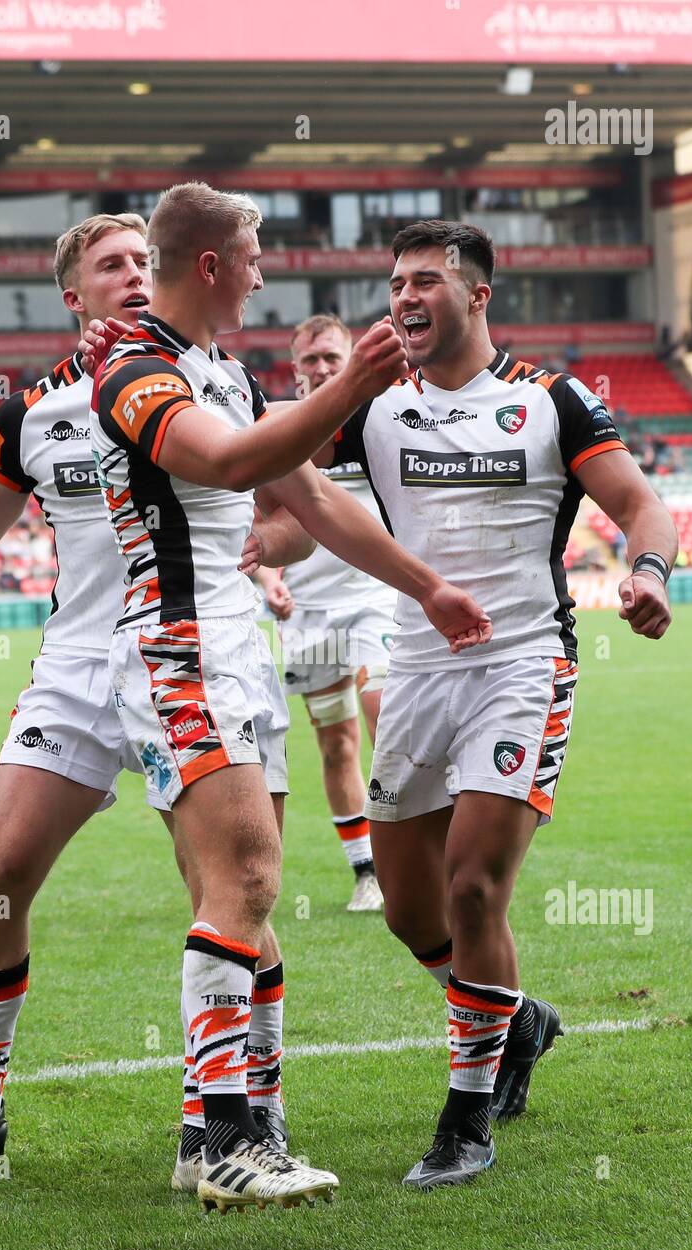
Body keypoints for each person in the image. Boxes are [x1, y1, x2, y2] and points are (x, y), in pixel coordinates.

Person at [0, 215, 311, 1183]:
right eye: (112, 264)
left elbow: (291, 513)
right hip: (79, 665)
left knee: (227, 883)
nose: (135, 274)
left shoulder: (222, 381)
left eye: (146, 259)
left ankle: (222, 1122)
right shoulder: (33, 410)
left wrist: (267, 550)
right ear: (74, 294)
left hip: (193, 645)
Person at [88, 183, 492, 1212]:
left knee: (250, 903)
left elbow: (313, 496)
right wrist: (349, 384)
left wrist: (428, 587)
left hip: (235, 647)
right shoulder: (130, 364)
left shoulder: (222, 369)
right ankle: (227, 1144)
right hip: (179, 648)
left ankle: (228, 1124)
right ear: (214, 265)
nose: (265, 274)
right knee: (248, 879)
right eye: (255, 258)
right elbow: (228, 465)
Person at [313, 220, 677, 1189]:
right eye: (394, 282)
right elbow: (285, 466)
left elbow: (643, 504)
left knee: (475, 885)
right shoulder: (378, 407)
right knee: (406, 905)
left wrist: (647, 574)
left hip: (523, 663)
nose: (403, 297)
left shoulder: (552, 400)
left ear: (477, 295)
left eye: (424, 280)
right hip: (420, 669)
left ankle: (466, 1119)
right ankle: (517, 1017)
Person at [272, 314, 399, 912]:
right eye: (310, 361)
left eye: (331, 358)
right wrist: (268, 578)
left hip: (376, 597)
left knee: (384, 714)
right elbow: (255, 515)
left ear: (350, 358)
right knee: (336, 743)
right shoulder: (280, 428)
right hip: (308, 611)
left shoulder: (379, 416)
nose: (321, 369)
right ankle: (367, 871)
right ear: (294, 369)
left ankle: (410, 851)